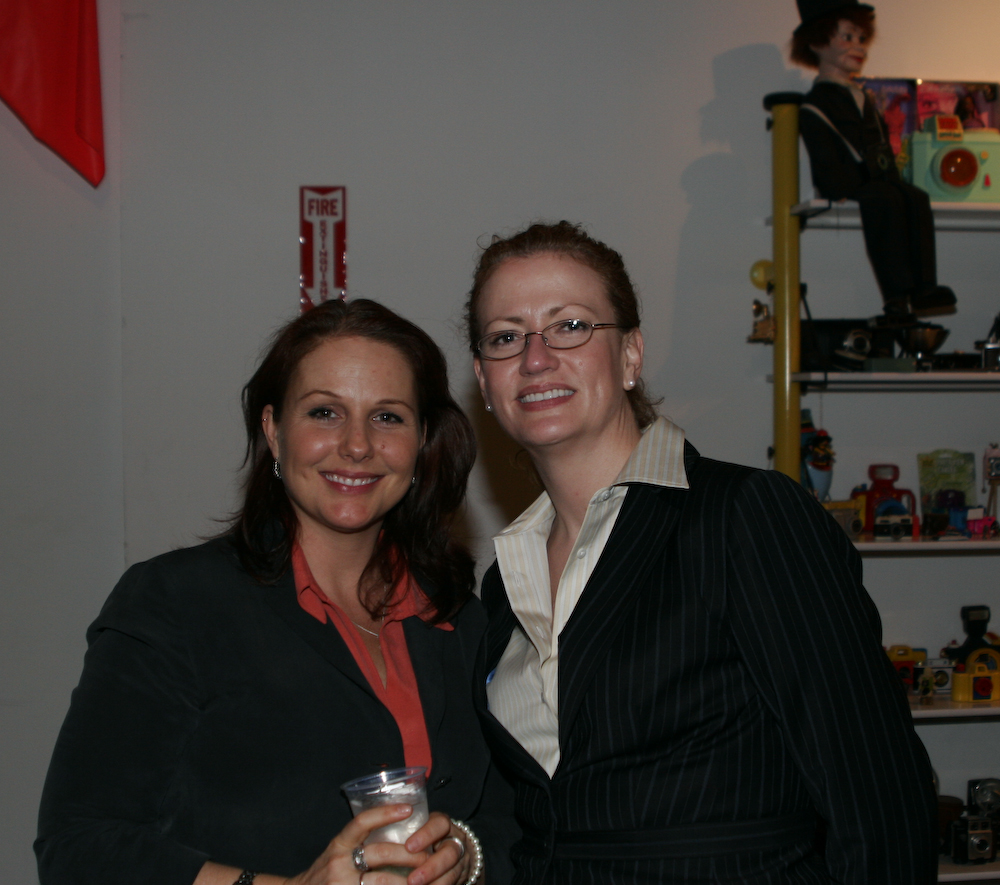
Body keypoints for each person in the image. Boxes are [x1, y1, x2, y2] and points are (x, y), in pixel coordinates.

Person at [464, 220, 938, 883]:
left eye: (570, 325)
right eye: (505, 337)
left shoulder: (744, 516)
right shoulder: (503, 580)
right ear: (484, 381)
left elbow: (877, 793)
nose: (536, 357)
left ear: (631, 355)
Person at [35, 298, 516, 885]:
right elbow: (79, 848)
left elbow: (510, 823)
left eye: (388, 417)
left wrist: (464, 856)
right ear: (273, 429)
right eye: (324, 412)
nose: (357, 444)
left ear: (422, 441)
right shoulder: (177, 602)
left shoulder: (460, 620)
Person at [791, 0, 956, 320]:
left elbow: (878, 142)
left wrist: (891, 176)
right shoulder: (816, 103)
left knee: (915, 196)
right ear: (817, 43)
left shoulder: (863, 96)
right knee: (884, 200)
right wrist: (839, 184)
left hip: (877, 176)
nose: (859, 47)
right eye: (847, 37)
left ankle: (924, 287)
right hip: (849, 181)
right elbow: (824, 154)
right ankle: (896, 294)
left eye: (861, 38)